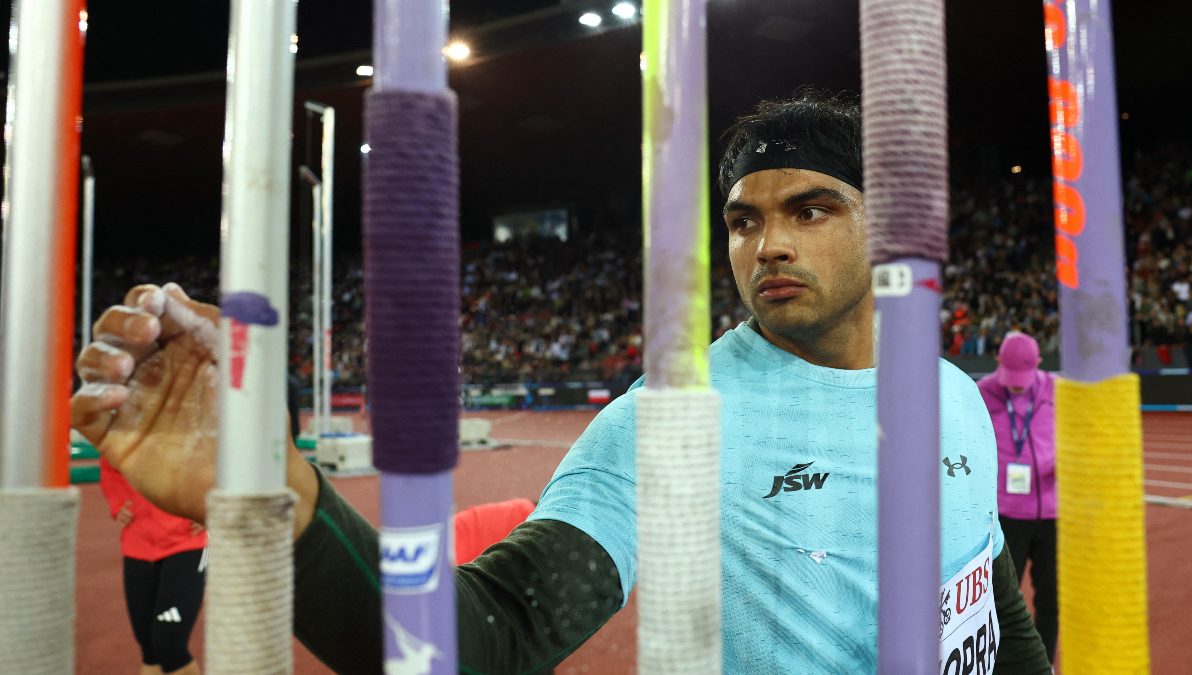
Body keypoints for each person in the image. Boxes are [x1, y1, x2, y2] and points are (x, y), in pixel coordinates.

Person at [70, 90, 1052, 673]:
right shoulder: (675, 420)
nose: (768, 245)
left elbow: (990, 603)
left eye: (811, 209)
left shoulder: (950, 394)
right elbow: (491, 633)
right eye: (744, 220)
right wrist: (280, 502)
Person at [977, 331, 1058, 660]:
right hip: (1006, 515)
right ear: (998, 361)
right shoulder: (982, 392)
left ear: (1039, 364)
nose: (1017, 387)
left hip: (1052, 513)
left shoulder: (1055, 390)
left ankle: (1045, 663)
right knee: (1000, 600)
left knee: (1051, 598)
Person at [99, 458, 207, 675]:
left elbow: (217, 461)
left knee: (169, 644)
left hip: (189, 543)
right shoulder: (125, 436)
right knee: (149, 647)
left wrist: (207, 503)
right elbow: (109, 463)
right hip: (137, 542)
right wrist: (118, 502)